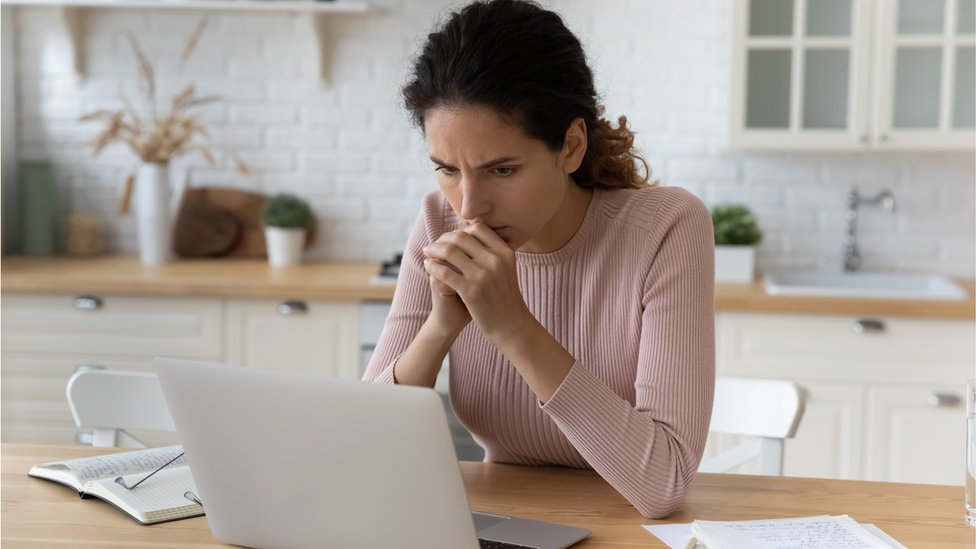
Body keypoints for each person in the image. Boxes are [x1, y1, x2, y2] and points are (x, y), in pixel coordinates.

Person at [363, 0, 715, 518]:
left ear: (570, 146)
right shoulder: (440, 220)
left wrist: (512, 325)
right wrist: (439, 328)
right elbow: (363, 452)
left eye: (501, 170)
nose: (469, 206)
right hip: (503, 519)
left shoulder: (665, 228)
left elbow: (662, 483)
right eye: (446, 169)